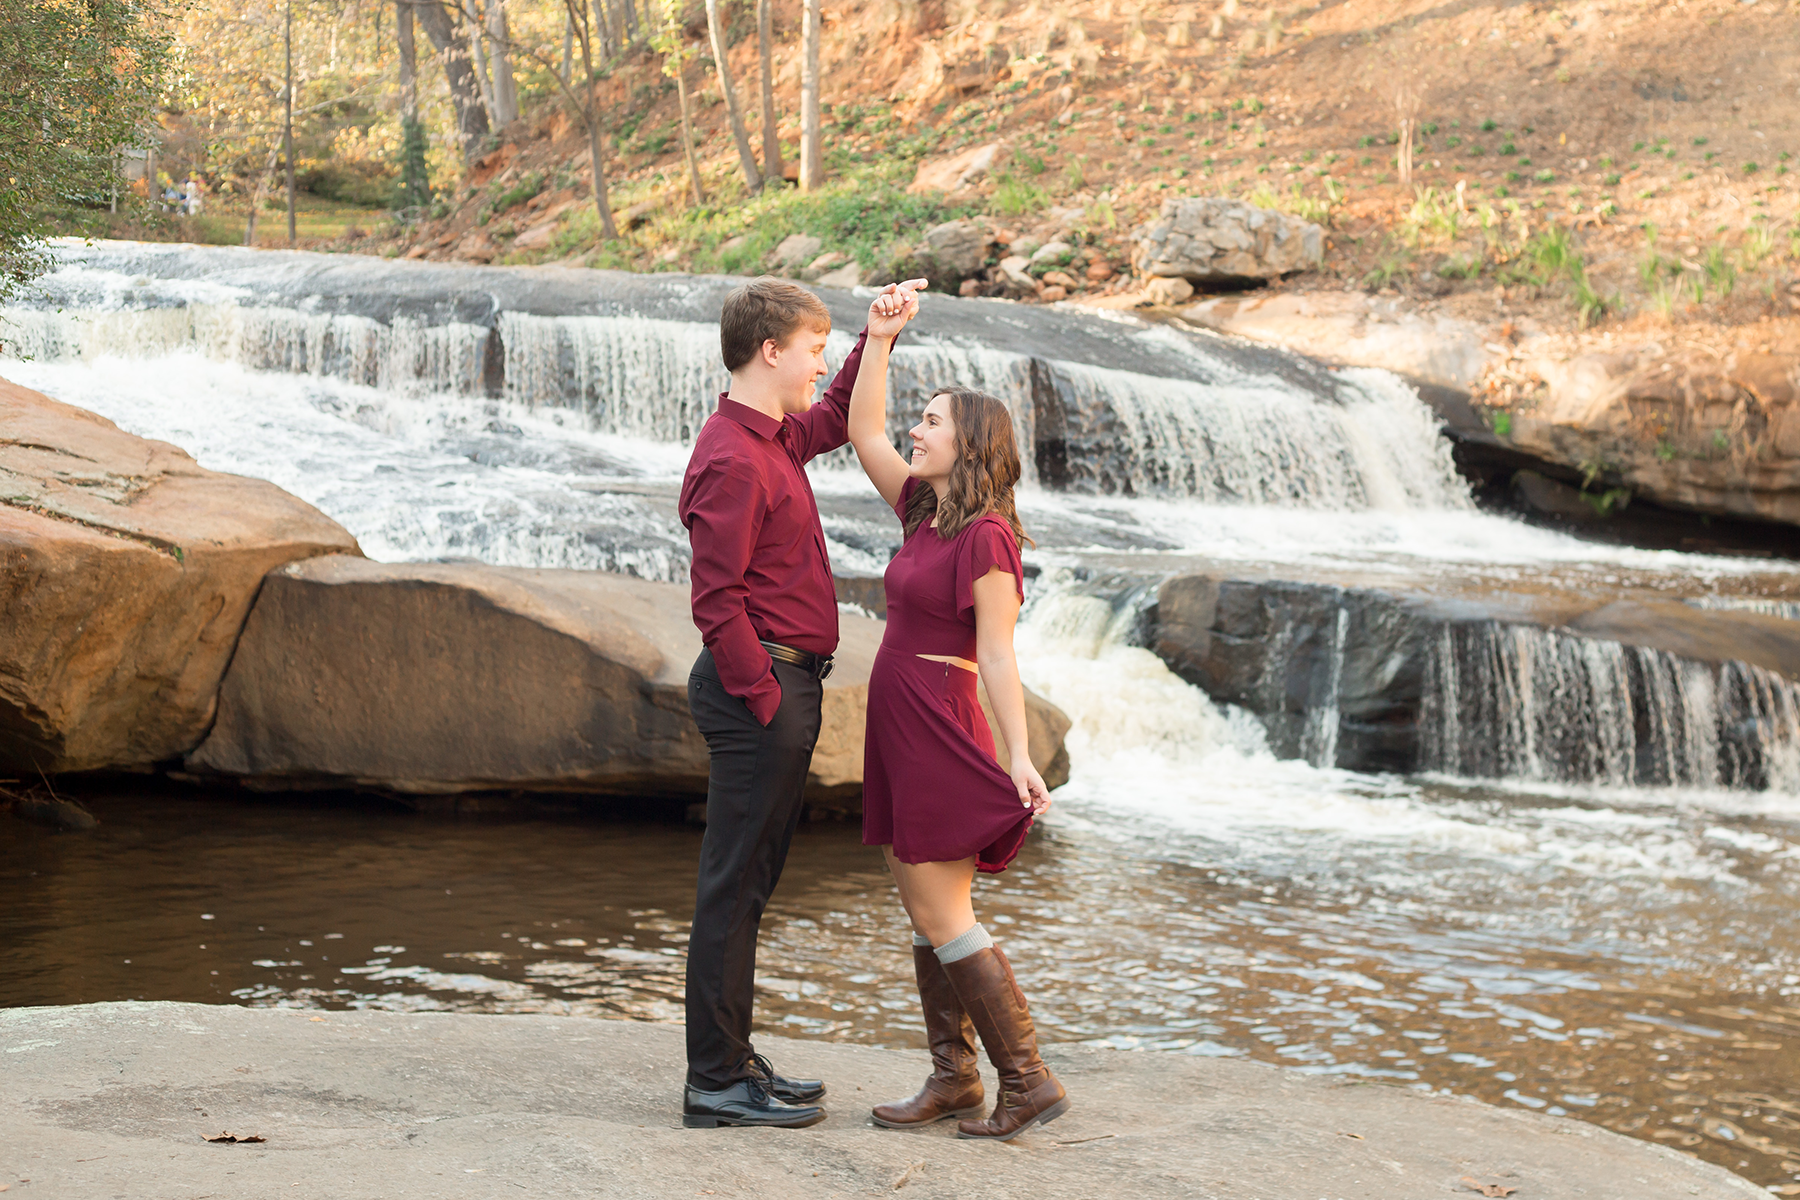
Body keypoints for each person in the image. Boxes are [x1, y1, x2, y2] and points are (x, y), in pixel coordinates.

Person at [678, 275, 925, 1130]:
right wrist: (764, 697)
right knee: (733, 888)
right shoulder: (730, 457)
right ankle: (713, 1081)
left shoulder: (773, 438)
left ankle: (733, 1061)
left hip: (782, 687)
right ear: (769, 351)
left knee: (750, 885)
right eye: (814, 351)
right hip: (763, 693)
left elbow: (833, 418)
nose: (821, 367)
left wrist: (875, 339)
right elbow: (716, 600)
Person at [844, 286, 1068, 1142]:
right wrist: (879, 339)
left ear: (967, 442)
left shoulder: (987, 538)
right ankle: (955, 1079)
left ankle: (1027, 1079)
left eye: (932, 422)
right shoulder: (923, 512)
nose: (916, 430)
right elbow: (864, 430)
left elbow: (1001, 653)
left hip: (940, 719)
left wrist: (1019, 753)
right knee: (922, 906)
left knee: (946, 913)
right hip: (901, 720)